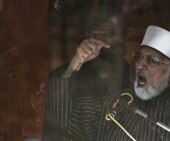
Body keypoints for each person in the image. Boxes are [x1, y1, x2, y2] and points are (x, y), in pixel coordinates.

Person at [60, 25, 170, 141]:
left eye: (152, 61)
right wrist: (76, 63)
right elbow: (62, 119)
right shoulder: (115, 101)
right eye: (139, 57)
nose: (140, 65)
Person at [42, 9, 130, 140]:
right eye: (111, 34)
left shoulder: (134, 75)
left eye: (123, 33)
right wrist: (76, 62)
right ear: (91, 36)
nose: (120, 40)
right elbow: (55, 114)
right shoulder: (70, 72)